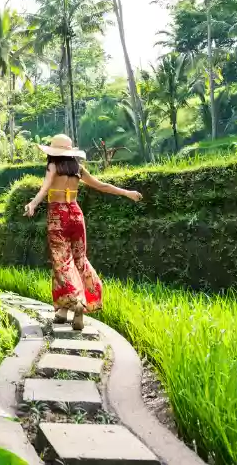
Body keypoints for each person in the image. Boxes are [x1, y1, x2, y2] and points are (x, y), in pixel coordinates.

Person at [23, 134, 142, 330]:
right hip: (76, 216)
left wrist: (33, 204)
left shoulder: (53, 166)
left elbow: (44, 189)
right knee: (79, 260)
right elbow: (101, 186)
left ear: (53, 152)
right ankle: (63, 311)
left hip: (58, 216)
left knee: (62, 261)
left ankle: (77, 300)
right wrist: (127, 193)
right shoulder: (77, 168)